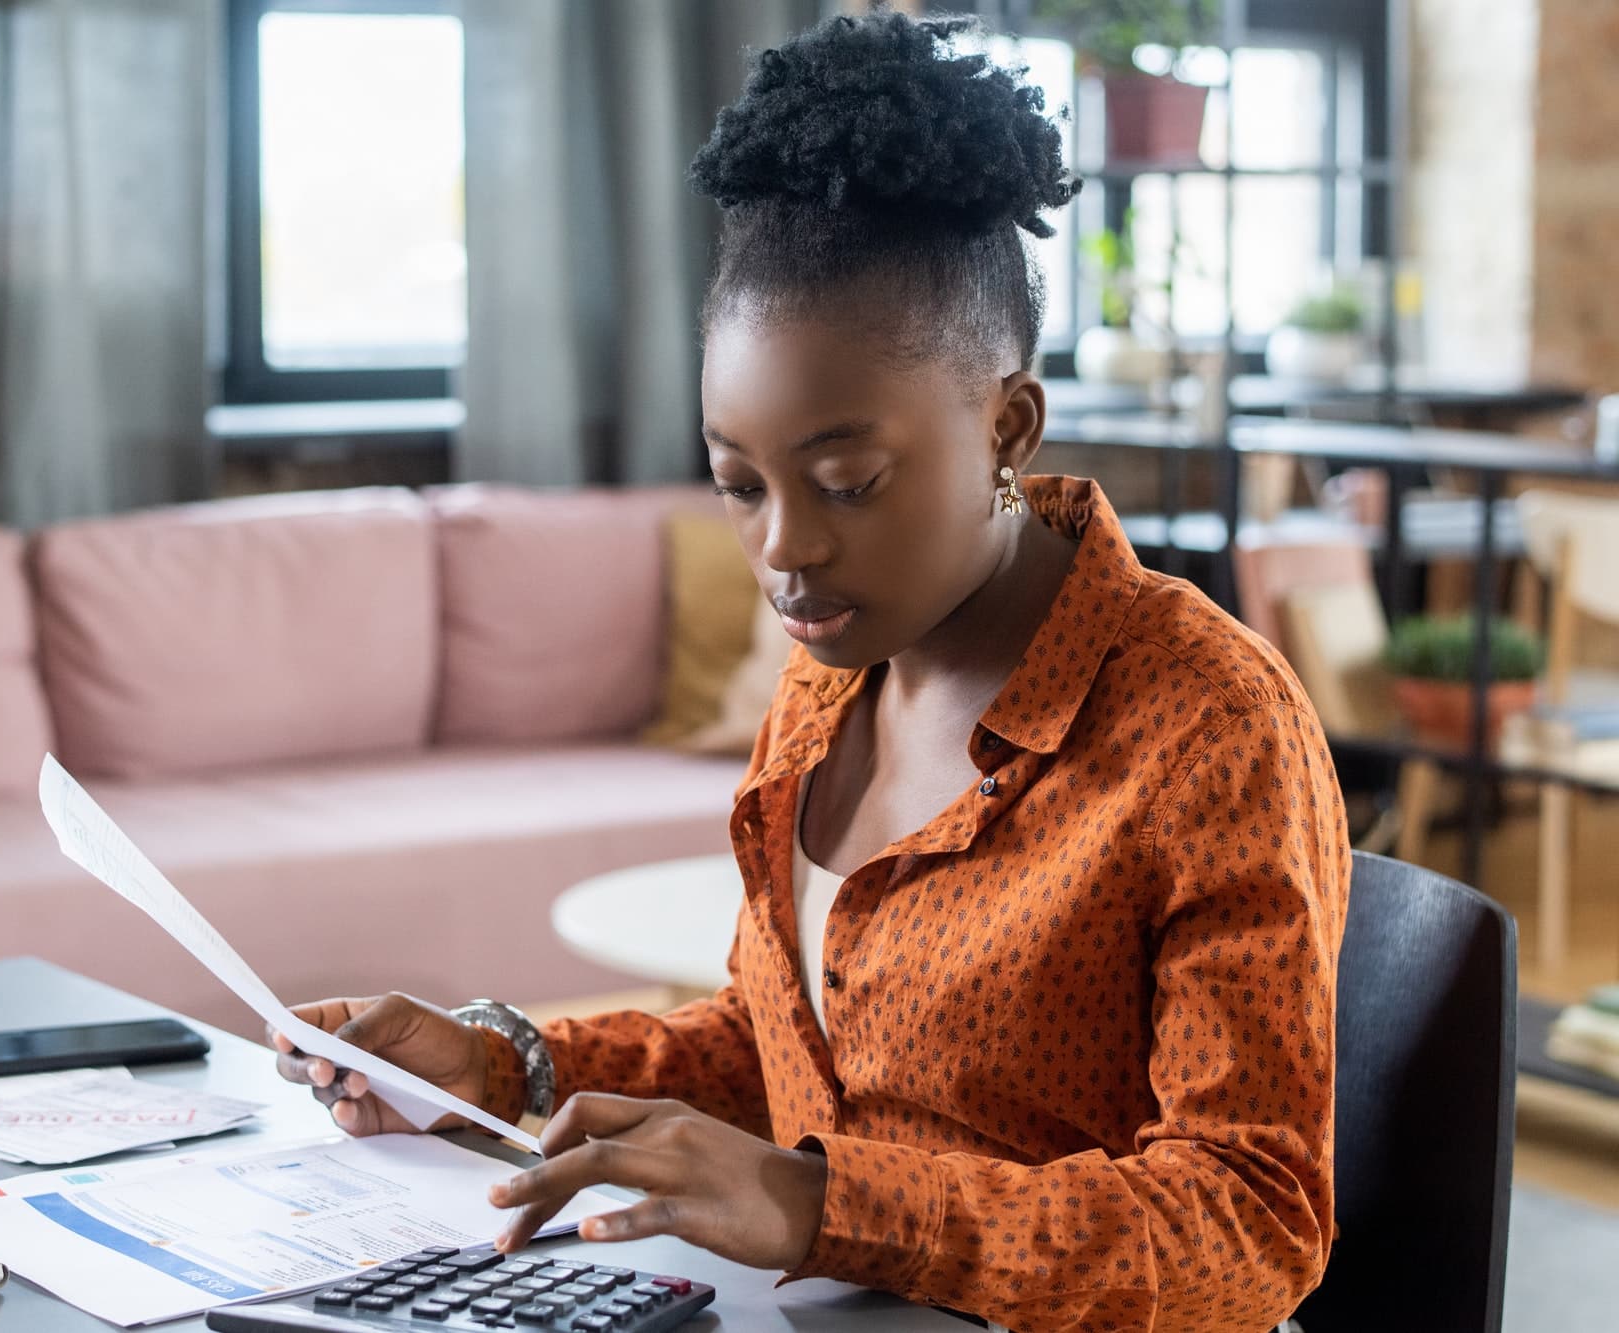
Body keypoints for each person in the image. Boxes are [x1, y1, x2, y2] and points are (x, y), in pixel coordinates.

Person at [274, 12, 1349, 1332]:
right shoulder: (832, 673)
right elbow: (795, 1054)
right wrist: (505, 1061)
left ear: (1006, 423)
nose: (782, 549)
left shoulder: (1207, 723)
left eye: (847, 481)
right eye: (740, 484)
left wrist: (821, 1207)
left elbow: (1248, 1220)